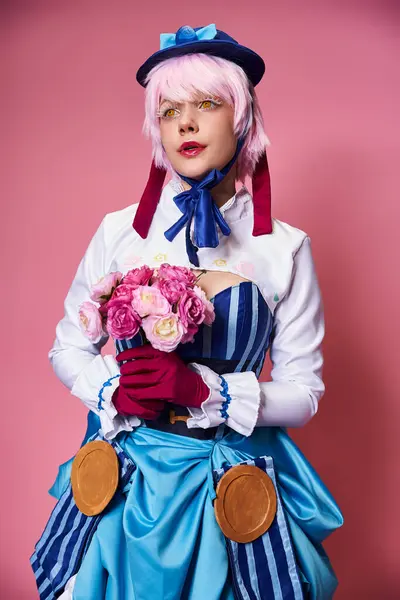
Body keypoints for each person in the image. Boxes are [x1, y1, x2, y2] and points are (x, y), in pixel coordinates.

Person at [31, 24, 343, 600]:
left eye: (206, 104)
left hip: (231, 479)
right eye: (169, 110)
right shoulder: (119, 231)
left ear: (243, 117)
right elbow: (67, 349)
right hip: (129, 481)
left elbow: (305, 393)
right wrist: (112, 392)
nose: (186, 124)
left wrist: (206, 392)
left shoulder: (285, 247)